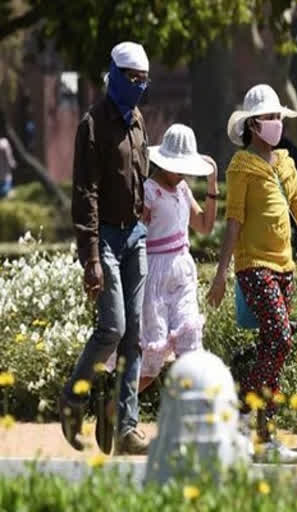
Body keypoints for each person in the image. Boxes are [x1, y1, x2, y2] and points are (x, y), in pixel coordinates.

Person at [207, 84, 297, 463]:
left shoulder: (285, 162)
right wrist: (221, 274)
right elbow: (233, 222)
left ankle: (264, 439)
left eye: (278, 117)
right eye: (270, 118)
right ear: (253, 125)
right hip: (254, 267)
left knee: (274, 348)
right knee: (282, 338)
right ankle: (238, 407)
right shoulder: (241, 166)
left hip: (285, 268)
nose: (277, 124)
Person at [62, 41, 151, 455]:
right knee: (112, 327)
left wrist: (142, 204)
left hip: (136, 237)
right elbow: (86, 194)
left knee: (133, 338)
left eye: (143, 79)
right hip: (109, 242)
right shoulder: (92, 125)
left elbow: (138, 173)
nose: (138, 85)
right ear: (113, 75)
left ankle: (126, 426)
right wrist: (92, 257)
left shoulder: (138, 121)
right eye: (132, 77)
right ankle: (74, 398)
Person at [105, 123, 218, 393]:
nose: (181, 173)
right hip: (154, 274)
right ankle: (115, 412)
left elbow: (204, 225)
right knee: (151, 363)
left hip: (182, 271)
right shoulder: (149, 191)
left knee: (191, 343)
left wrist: (212, 184)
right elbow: (134, 235)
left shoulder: (182, 190)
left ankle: (190, 418)